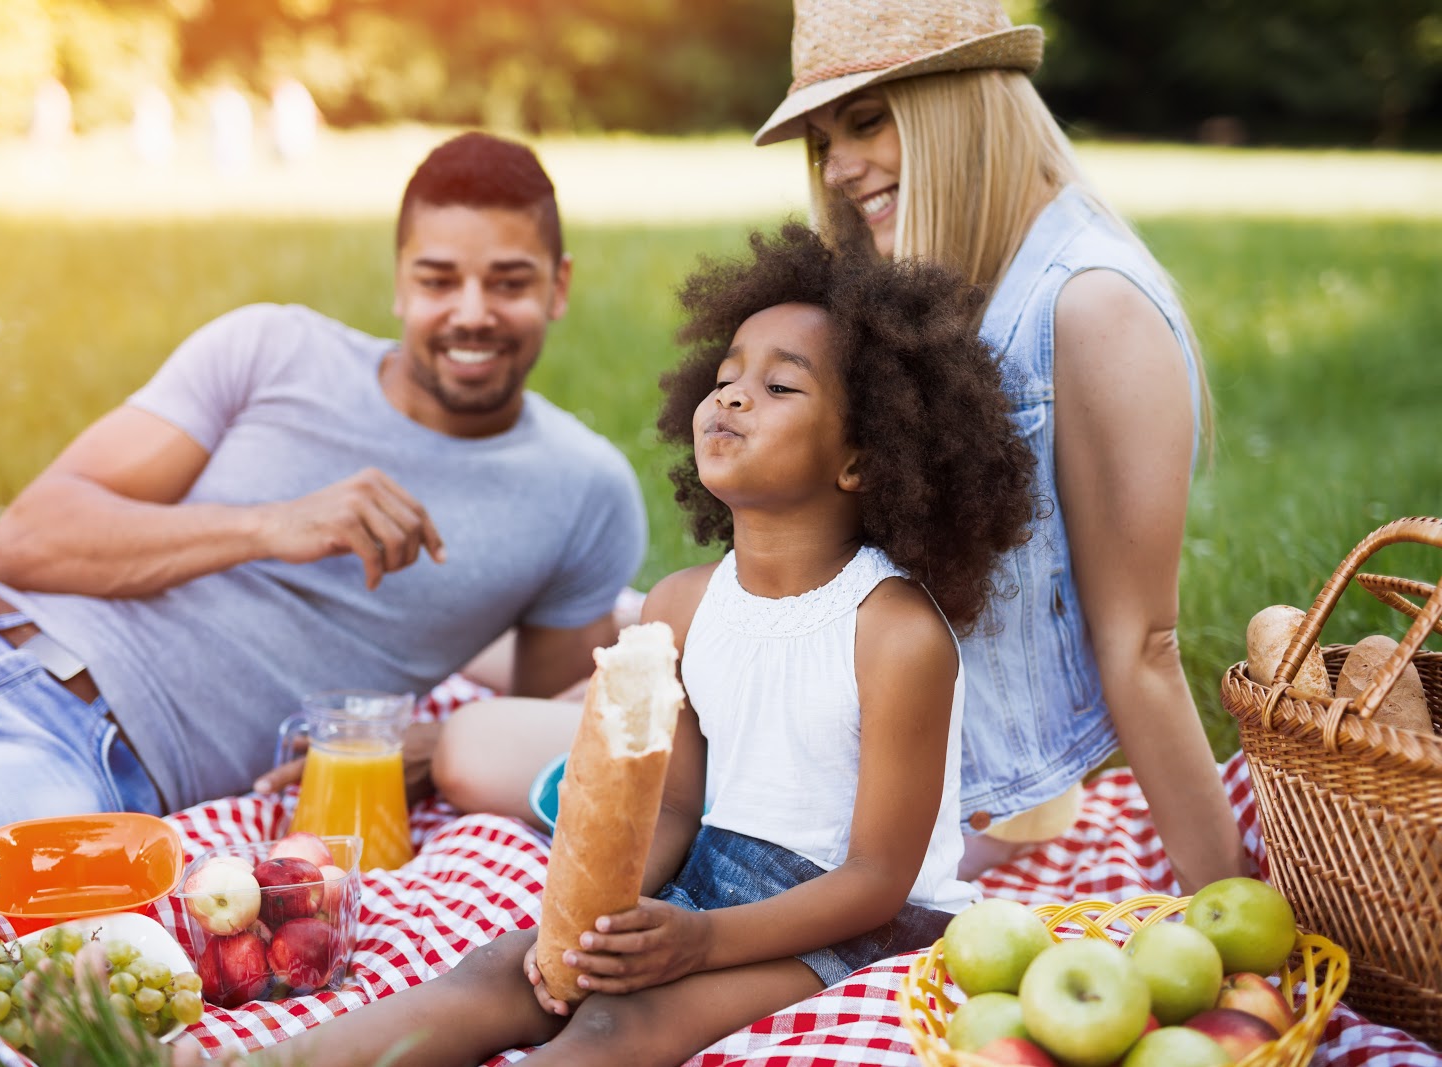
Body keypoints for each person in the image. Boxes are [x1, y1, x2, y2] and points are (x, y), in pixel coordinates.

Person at [138, 221, 1033, 1067]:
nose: (731, 395)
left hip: (853, 919)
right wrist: (594, 919)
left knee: (613, 1025)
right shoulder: (682, 606)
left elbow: (880, 877)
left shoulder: (895, 632)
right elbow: (673, 808)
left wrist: (701, 940)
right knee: (503, 965)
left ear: (865, 459)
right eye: (726, 375)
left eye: (780, 386)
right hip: (716, 877)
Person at [0, 132, 647, 932]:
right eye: (439, 279)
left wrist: (435, 742)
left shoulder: (585, 491)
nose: (471, 314)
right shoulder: (273, 349)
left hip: (83, 766)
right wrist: (270, 526)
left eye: (508, 282)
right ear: (400, 283)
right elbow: (27, 539)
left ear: (559, 285)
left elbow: (547, 721)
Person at [749, 0, 1251, 889]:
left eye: (868, 120)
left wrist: (1237, 912)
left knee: (506, 751)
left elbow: (1142, 645)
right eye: (825, 138)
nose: (839, 168)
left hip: (957, 795)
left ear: (964, 106)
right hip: (857, 737)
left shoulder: (1092, 306)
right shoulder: (946, 277)